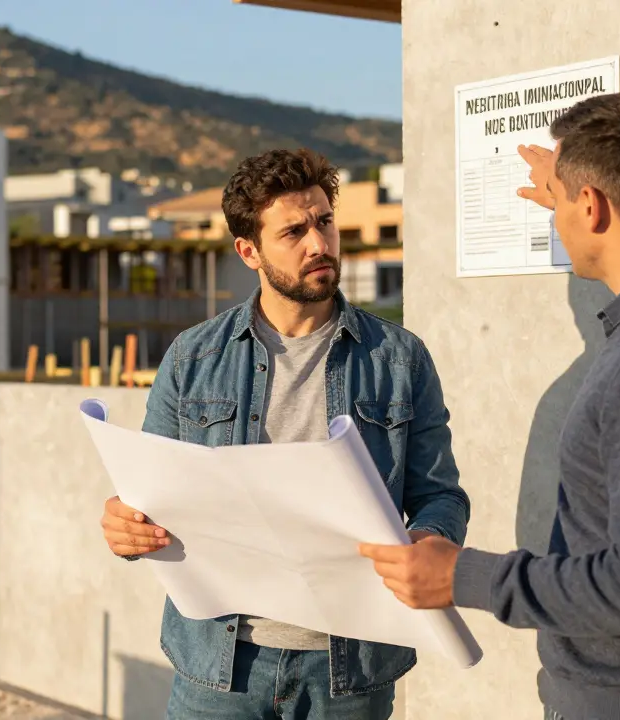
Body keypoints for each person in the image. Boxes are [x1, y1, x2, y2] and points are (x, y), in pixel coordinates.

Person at [359, 90, 620, 720]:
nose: (554, 217)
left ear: (592, 206)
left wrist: (462, 577)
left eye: (563, 201)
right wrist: (582, 189)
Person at [98, 148, 471, 720]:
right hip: (219, 667)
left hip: (349, 668)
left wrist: (427, 540)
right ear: (248, 251)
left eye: (324, 222)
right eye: (293, 231)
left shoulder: (399, 358)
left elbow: (440, 495)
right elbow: (148, 498)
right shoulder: (192, 357)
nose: (319, 245)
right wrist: (127, 527)